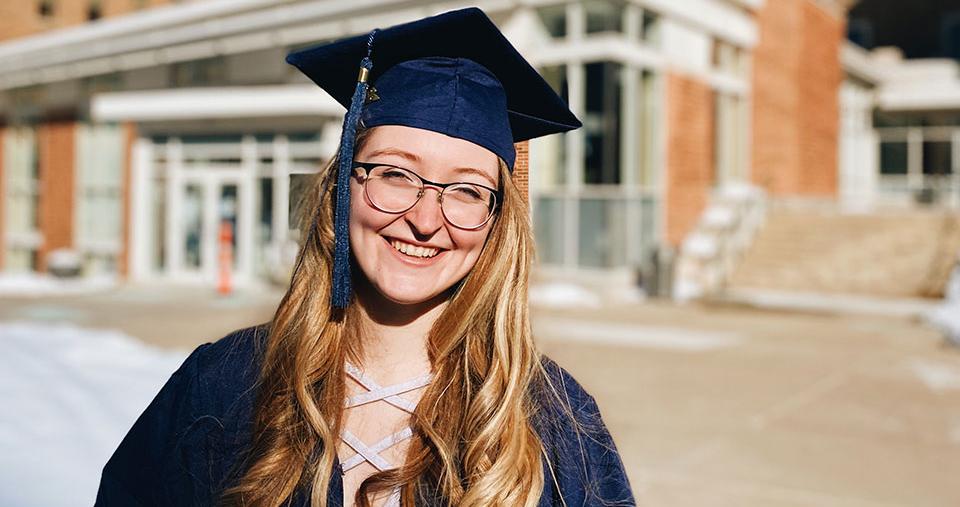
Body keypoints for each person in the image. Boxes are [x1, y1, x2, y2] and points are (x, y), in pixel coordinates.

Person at [95, 7, 634, 507]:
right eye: (396, 175)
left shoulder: (555, 423)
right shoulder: (224, 384)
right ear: (341, 188)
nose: (426, 219)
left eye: (467, 191)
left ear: (496, 224)